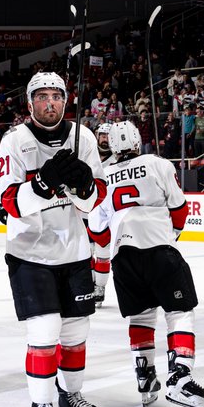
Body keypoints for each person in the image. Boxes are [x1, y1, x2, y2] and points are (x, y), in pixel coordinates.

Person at [0, 72, 108, 407]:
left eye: (56, 96)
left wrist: (84, 186)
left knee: (76, 335)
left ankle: (70, 395)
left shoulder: (84, 138)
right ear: (30, 104)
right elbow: (9, 202)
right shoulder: (14, 142)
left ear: (65, 100)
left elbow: (95, 201)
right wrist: (42, 185)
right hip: (29, 252)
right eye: (41, 97)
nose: (49, 103)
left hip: (74, 252)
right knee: (44, 332)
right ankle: (42, 403)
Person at [88, 121, 204, 407]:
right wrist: (172, 234)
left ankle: (145, 377)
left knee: (140, 317)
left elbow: (95, 228)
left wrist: (113, 243)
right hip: (158, 247)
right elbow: (179, 208)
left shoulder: (103, 175)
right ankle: (180, 375)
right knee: (179, 312)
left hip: (123, 257)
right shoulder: (158, 163)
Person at [89, 123, 115, 305]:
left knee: (103, 253)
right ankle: (89, 285)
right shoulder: (88, 155)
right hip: (85, 210)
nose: (104, 139)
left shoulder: (118, 159)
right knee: (85, 252)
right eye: (102, 135)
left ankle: (100, 287)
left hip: (106, 214)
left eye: (108, 136)